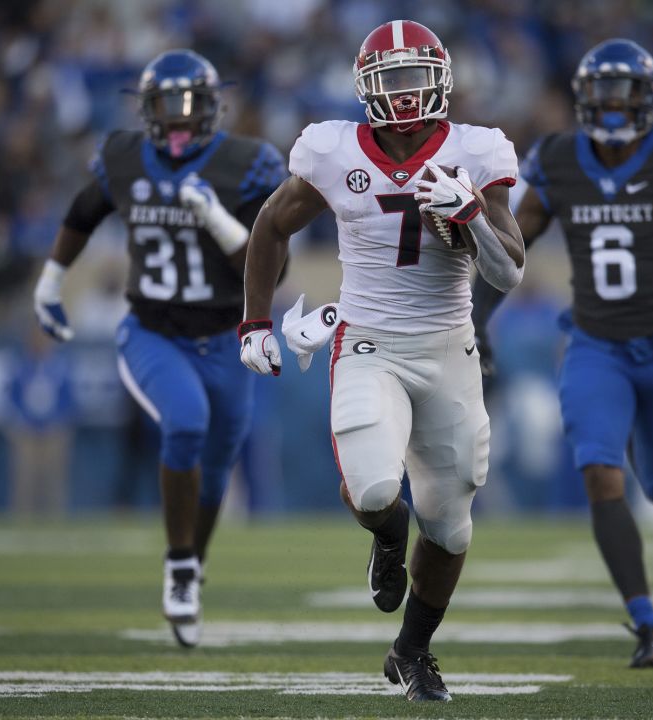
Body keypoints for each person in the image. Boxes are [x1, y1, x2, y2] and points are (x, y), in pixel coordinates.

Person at [240, 20, 524, 701]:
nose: (404, 92)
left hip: (448, 345)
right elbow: (271, 226)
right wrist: (252, 322)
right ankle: (388, 538)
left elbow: (509, 272)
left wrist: (474, 213)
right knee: (375, 492)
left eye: (415, 76)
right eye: (390, 79)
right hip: (367, 340)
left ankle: (414, 651)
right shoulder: (333, 149)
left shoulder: (476, 151)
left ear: (442, 79)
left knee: (451, 523)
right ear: (366, 86)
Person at [470, 38, 653, 668]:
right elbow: (514, 248)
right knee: (598, 472)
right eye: (602, 95)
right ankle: (648, 625)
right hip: (594, 345)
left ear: (648, 100)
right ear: (583, 100)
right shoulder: (559, 160)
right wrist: (475, 321)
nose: (613, 107)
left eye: (625, 94)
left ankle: (642, 427)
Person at [32, 49, 285, 648]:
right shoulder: (123, 157)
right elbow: (83, 211)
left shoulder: (247, 163)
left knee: (219, 470)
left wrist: (218, 220)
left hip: (227, 338)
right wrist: (50, 280)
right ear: (145, 111)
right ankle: (178, 566)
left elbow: (275, 266)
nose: (177, 118)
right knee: (186, 422)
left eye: (189, 104)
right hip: (152, 332)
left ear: (214, 107)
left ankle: (190, 568)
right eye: (164, 106)